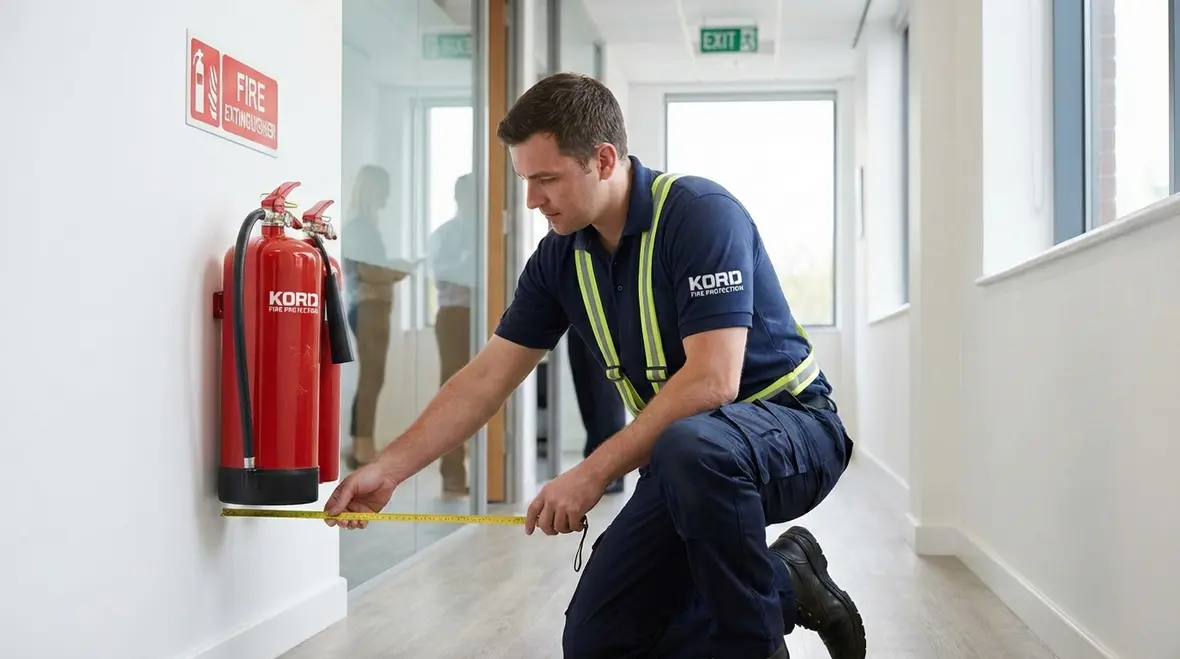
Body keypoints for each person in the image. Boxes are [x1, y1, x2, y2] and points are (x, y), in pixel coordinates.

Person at [323, 73, 865, 659]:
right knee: (599, 641)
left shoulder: (701, 215)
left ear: (603, 160)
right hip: (687, 460)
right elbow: (485, 379)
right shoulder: (559, 257)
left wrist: (590, 474)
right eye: (525, 180)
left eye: (546, 179)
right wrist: (390, 469)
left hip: (793, 433)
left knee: (691, 449)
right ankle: (787, 580)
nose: (532, 200)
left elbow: (713, 381)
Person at [341, 164, 411, 469]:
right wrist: (398, 270)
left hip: (370, 306)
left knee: (372, 377)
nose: (388, 195)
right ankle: (362, 448)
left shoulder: (364, 226)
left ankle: (361, 444)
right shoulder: (360, 227)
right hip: (368, 307)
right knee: (372, 377)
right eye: (384, 188)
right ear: (372, 189)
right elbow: (369, 271)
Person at [427, 172, 478, 495]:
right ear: (460, 197)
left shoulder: (488, 233)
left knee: (489, 391)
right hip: (454, 317)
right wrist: (469, 264)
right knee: (454, 392)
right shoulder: (445, 234)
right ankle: (452, 473)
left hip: (486, 316)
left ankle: (487, 475)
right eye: (470, 195)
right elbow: (443, 274)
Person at [566, 332, 628, 494]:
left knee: (607, 395)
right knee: (586, 395)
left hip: (605, 326)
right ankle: (592, 463)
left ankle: (612, 470)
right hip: (576, 324)